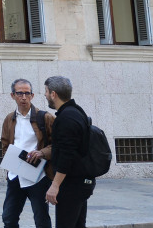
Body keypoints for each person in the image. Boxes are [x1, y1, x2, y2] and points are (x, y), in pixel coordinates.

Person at [0, 78, 54, 228]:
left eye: (27, 93)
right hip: (15, 175)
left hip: (38, 177)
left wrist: (42, 152)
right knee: (9, 218)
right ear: (13, 95)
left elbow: (58, 145)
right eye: (19, 93)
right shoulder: (9, 119)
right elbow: (5, 145)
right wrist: (11, 163)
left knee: (41, 219)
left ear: (32, 95)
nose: (24, 97)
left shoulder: (45, 117)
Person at [43, 76, 95, 228]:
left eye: (46, 91)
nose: (45, 95)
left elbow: (67, 155)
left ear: (53, 94)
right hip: (80, 182)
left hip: (72, 184)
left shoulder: (66, 118)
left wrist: (55, 185)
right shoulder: (76, 112)